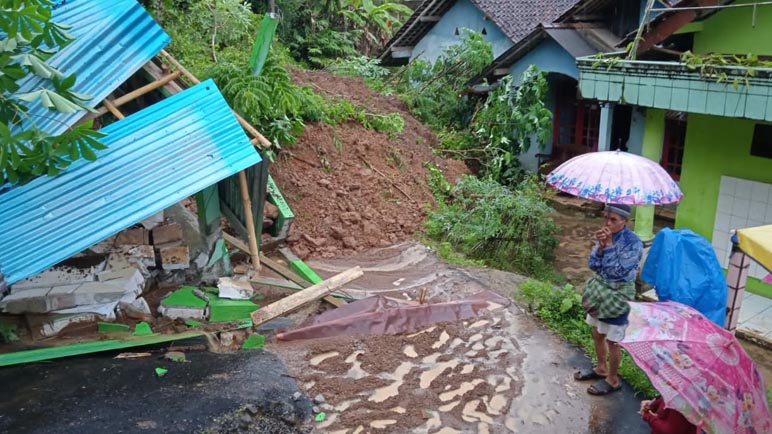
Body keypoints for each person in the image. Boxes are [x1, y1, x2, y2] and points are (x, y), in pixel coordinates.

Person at [573, 203, 643, 396]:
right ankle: (601, 368)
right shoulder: (605, 236)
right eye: (606, 218)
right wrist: (601, 248)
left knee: (613, 340)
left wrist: (610, 246)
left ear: (625, 221)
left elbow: (617, 271)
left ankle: (612, 379)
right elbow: (594, 265)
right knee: (597, 332)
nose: (607, 223)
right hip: (600, 291)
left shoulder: (634, 243)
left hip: (618, 294)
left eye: (613, 219)